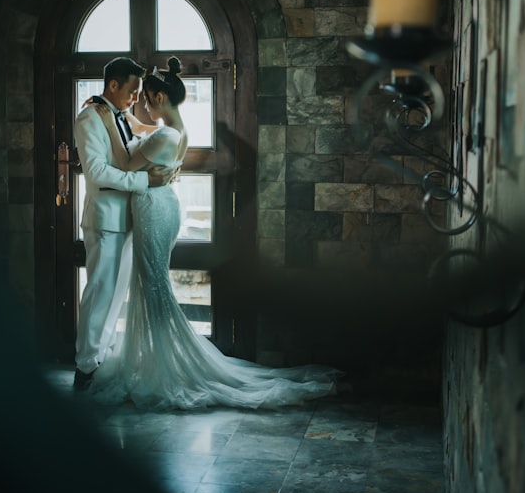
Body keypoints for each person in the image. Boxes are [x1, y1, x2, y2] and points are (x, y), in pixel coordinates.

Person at [86, 57, 344, 410]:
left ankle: (165, 362)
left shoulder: (161, 134)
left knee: (153, 285)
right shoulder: (175, 130)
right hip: (159, 206)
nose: (141, 103)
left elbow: (128, 161)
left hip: (153, 207)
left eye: (145, 97)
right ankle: (151, 358)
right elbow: (139, 142)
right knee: (151, 284)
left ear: (160, 99)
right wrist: (122, 120)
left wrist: (111, 121)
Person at [72, 56, 176, 390]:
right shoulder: (89, 117)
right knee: (100, 292)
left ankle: (101, 357)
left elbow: (136, 147)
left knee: (116, 294)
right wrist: (148, 183)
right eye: (131, 91)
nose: (135, 98)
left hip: (130, 217)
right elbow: (97, 172)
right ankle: (86, 365)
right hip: (105, 219)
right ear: (113, 85)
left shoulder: (119, 115)